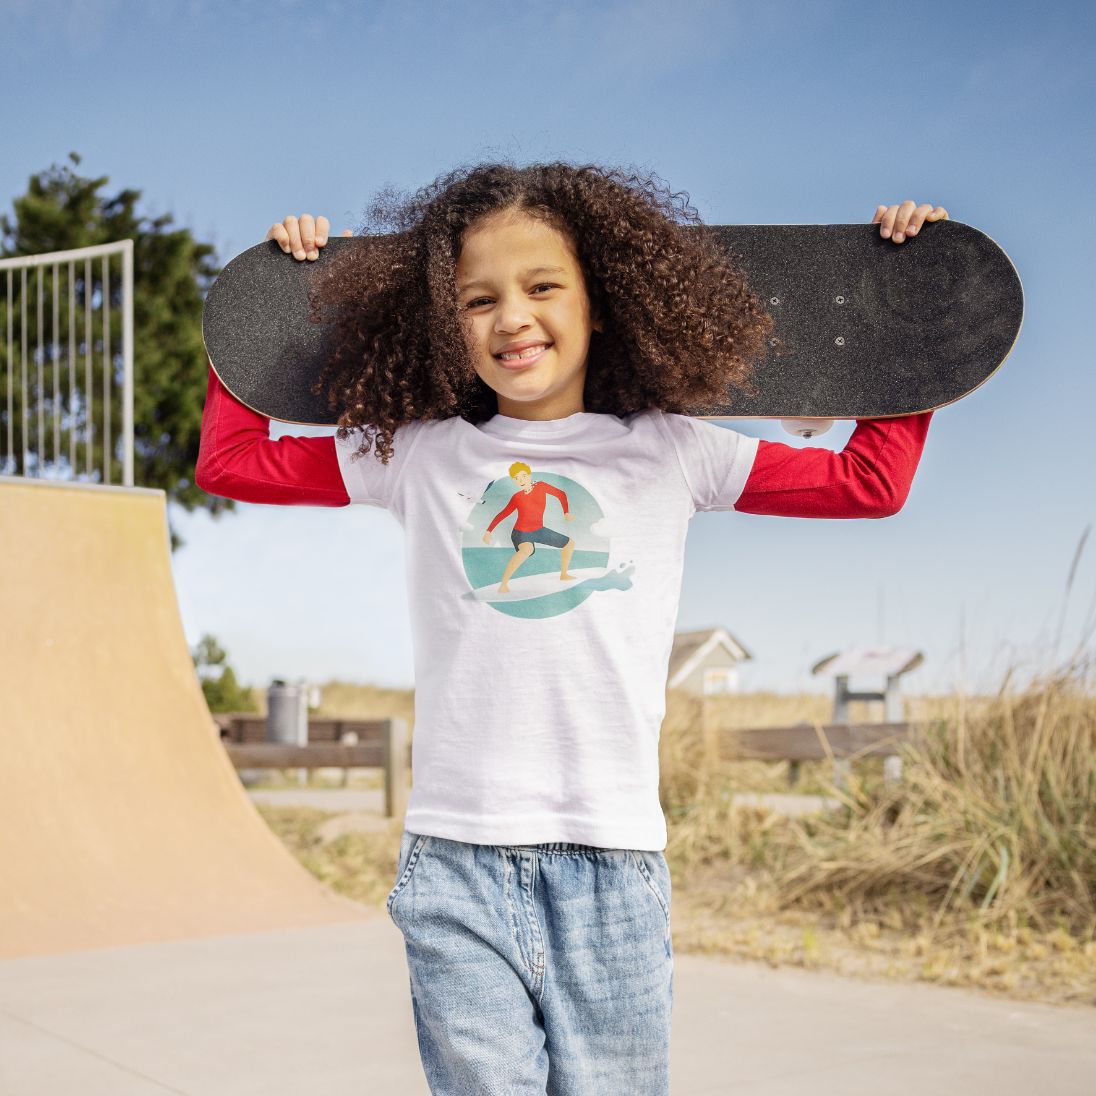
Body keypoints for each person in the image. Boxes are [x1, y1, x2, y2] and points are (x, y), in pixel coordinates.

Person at [196, 163, 944, 1095]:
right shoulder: (420, 455)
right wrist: (274, 310)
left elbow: (870, 482)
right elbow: (233, 462)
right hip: (456, 863)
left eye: (543, 286)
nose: (512, 317)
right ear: (443, 321)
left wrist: (913, 324)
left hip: (613, 869)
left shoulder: (673, 447)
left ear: (603, 304)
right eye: (477, 299)